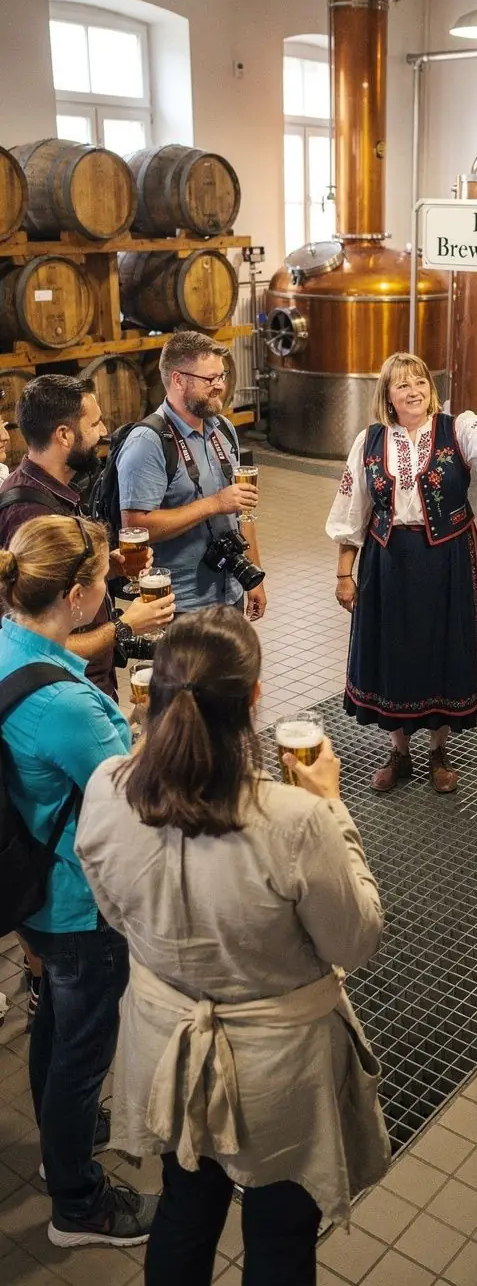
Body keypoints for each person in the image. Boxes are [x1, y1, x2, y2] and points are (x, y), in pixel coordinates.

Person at [75, 606, 390, 1286]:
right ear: (253, 700)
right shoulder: (295, 821)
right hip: (278, 1067)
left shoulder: (107, 789)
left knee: (185, 1207)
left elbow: (111, 906)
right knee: (280, 1230)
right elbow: (356, 940)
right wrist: (334, 804)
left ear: (153, 693)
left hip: (166, 1043)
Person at [0, 514, 157, 1249]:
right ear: (75, 594)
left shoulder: (7, 645)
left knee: (53, 1026)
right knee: (82, 1042)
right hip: (76, 901)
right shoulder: (66, 704)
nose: (109, 589)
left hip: (24, 879)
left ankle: (60, 1134)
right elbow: (137, 801)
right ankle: (77, 1204)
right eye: (101, 580)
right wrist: (151, 723)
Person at [327, 344, 477, 794]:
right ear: (387, 395)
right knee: (394, 652)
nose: (414, 389)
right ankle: (399, 751)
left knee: (443, 649)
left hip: (448, 558)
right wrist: (345, 574)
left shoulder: (458, 428)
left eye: (420, 381)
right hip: (387, 560)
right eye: (402, 383)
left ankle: (439, 750)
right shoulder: (370, 440)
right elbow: (351, 510)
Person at [0, 375, 175, 698]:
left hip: (87, 683)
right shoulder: (30, 516)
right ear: (64, 435)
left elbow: (60, 587)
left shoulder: (58, 491)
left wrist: (108, 567)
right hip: (67, 695)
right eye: (94, 424)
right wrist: (126, 626)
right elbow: (38, 643)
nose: (104, 432)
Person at [115, 330, 267, 621]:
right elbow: (135, 526)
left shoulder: (222, 429)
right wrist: (214, 504)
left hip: (229, 593)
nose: (220, 386)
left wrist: (254, 577)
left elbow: (241, 513)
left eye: (221, 376)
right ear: (177, 379)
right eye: (210, 379)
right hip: (180, 605)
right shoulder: (148, 443)